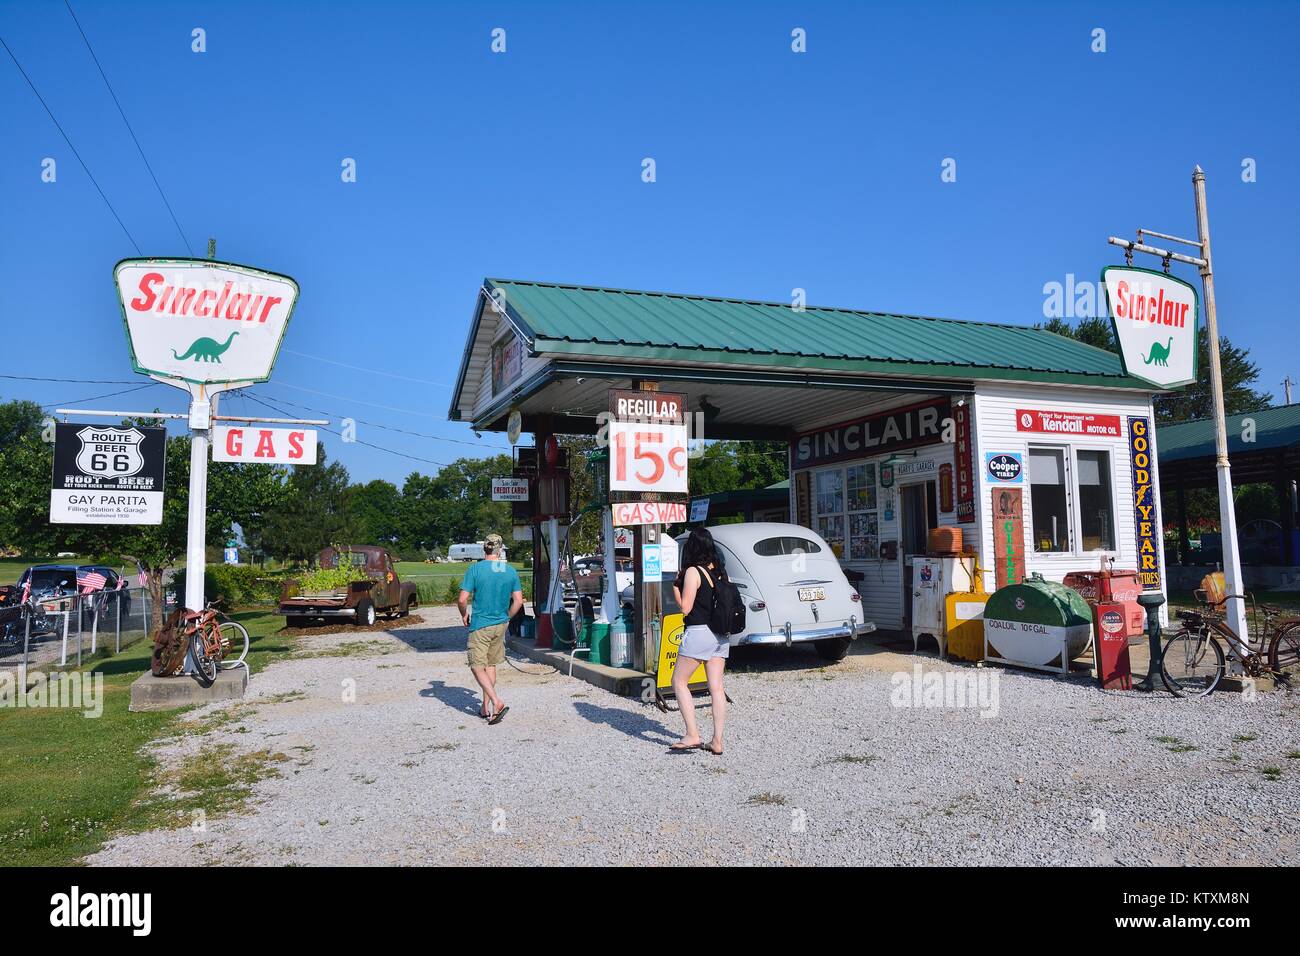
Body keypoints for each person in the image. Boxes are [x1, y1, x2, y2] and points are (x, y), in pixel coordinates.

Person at [669, 527, 728, 755]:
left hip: (699, 632)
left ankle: (692, 734)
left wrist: (675, 587)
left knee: (679, 682)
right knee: (716, 687)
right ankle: (717, 741)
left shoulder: (693, 572)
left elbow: (685, 608)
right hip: (721, 635)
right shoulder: (720, 571)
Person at [456, 533, 523, 725]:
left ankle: (496, 701)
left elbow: (462, 599)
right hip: (500, 624)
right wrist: (508, 617)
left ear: (484, 548)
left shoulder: (475, 569)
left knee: (477, 666)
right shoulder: (510, 571)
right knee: (491, 665)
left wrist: (463, 613)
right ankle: (485, 707)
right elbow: (518, 601)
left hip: (481, 625)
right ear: (500, 549)